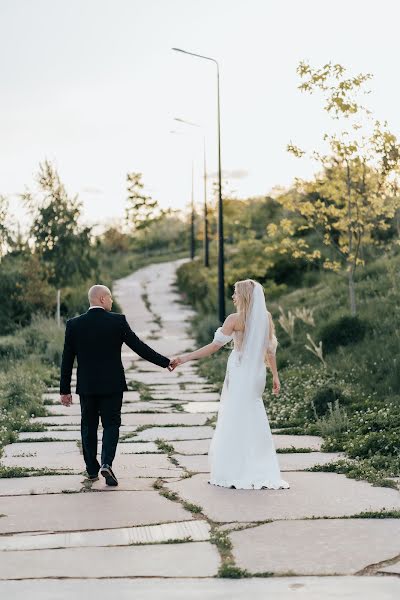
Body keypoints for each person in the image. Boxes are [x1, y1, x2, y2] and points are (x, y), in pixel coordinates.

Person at [170, 279, 290, 490]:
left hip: (241, 371)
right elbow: (270, 350)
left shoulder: (234, 319)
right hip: (257, 374)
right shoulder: (266, 317)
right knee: (254, 412)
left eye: (235, 293)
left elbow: (215, 346)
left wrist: (185, 358)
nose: (233, 297)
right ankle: (260, 467)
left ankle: (235, 468)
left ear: (243, 296)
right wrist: (275, 376)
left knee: (235, 414)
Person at [59, 284, 172, 487]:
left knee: (88, 427)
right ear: (102, 299)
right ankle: (106, 463)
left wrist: (64, 390)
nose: (112, 302)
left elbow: (67, 359)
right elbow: (139, 347)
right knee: (111, 425)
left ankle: (92, 470)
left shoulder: (74, 324)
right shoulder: (117, 321)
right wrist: (165, 362)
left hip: (87, 386)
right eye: (110, 298)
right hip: (112, 385)